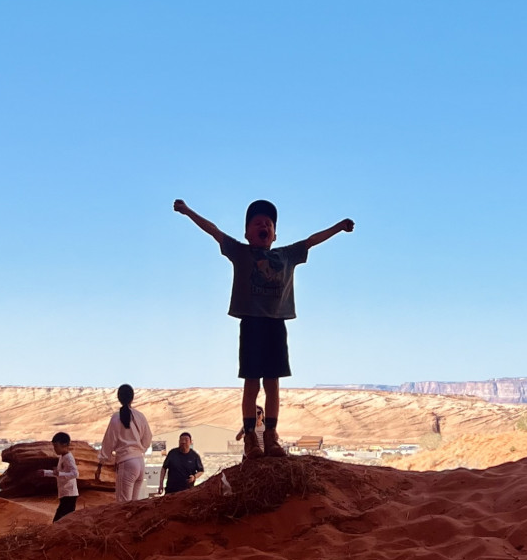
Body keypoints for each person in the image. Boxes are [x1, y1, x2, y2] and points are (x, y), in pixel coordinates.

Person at [174, 195, 355, 458]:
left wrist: (338, 227)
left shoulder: (287, 255)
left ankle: (271, 436)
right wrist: (188, 211)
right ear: (247, 233)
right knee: (252, 383)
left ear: (275, 235)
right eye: (257, 223)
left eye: (269, 224)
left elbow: (312, 240)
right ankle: (251, 438)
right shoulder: (240, 252)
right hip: (251, 323)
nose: (264, 226)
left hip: (275, 324)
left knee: (272, 383)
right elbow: (214, 231)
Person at [100, 383, 152, 502]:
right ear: (132, 398)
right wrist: (139, 449)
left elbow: (109, 441)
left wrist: (102, 460)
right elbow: (147, 438)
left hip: (126, 462)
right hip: (140, 463)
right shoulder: (140, 416)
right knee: (133, 504)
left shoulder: (116, 418)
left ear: (119, 398)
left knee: (123, 504)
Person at [158, 431, 204, 497]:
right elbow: (164, 468)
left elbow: (201, 471)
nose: (183, 442)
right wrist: (161, 484)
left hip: (187, 491)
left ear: (191, 442)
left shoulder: (194, 456)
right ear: (179, 441)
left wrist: (194, 477)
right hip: (171, 490)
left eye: (186, 440)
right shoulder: (172, 453)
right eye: (181, 440)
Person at [50, 430, 79, 522]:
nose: (55, 449)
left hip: (69, 494)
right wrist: (45, 472)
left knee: (60, 521)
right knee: (62, 520)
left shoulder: (68, 458)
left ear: (64, 444)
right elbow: (58, 473)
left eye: (56, 446)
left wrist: (60, 474)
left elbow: (75, 474)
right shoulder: (62, 457)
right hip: (64, 493)